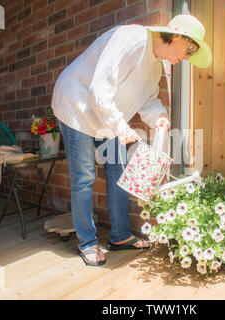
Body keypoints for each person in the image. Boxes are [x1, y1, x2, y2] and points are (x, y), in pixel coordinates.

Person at [51, 14, 212, 266]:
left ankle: (120, 236)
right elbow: (99, 87)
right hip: (77, 105)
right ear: (178, 36)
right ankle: (88, 243)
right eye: (190, 49)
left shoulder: (155, 65)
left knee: (118, 171)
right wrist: (118, 125)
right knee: (83, 177)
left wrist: (158, 116)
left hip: (107, 116)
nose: (188, 57)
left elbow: (147, 99)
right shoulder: (130, 39)